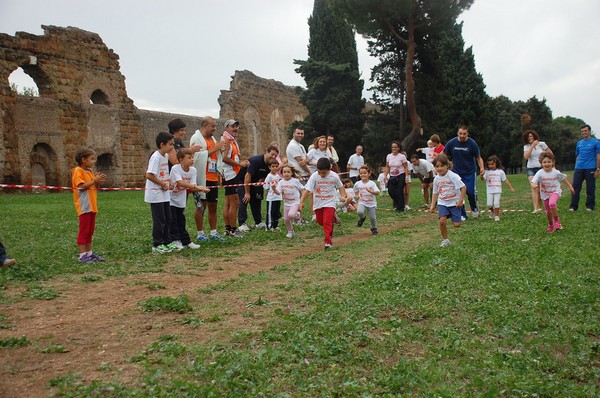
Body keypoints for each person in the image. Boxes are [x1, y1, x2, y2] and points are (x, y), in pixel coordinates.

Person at [190, 116, 227, 241]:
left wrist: (220, 150)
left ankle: (213, 232)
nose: (215, 129)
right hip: (202, 177)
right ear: (205, 125)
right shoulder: (196, 138)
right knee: (201, 205)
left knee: (213, 205)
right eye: (213, 126)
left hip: (212, 177)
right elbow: (196, 157)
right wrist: (215, 149)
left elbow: (214, 154)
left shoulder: (212, 138)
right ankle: (200, 233)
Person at [299, 157, 346, 249]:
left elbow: (340, 187)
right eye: (319, 172)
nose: (321, 174)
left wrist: (343, 196)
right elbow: (307, 190)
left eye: (324, 173)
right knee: (320, 221)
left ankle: (328, 242)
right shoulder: (314, 176)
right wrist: (301, 202)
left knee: (327, 222)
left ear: (329, 169)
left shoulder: (334, 176)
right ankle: (334, 218)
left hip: (330, 202)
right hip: (318, 203)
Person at [169, 148, 210, 250]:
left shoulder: (193, 170)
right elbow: (180, 183)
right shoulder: (175, 169)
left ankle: (186, 241)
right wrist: (198, 187)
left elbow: (192, 185)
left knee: (181, 219)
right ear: (181, 159)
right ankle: (176, 241)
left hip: (180, 199)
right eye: (189, 158)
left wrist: (201, 189)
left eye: (192, 157)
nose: (192, 160)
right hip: (170, 199)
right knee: (173, 220)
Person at [71, 148, 107, 263]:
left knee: (90, 231)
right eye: (91, 159)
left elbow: (93, 186)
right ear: (83, 160)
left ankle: (89, 253)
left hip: (92, 206)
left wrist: (97, 181)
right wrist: (94, 181)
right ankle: (82, 255)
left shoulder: (89, 171)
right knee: (84, 231)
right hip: (84, 206)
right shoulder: (78, 171)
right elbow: (81, 186)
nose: (94, 161)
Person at [443, 126, 484, 219]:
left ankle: (474, 208)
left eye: (464, 134)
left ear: (467, 134)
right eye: (460, 133)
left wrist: (482, 168)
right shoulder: (452, 143)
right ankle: (462, 214)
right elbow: (443, 154)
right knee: (458, 193)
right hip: (456, 172)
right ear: (457, 133)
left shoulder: (472, 143)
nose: (462, 135)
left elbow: (478, 158)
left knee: (470, 192)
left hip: (470, 172)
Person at [145, 132, 176, 255]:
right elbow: (149, 175)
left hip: (164, 193)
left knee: (168, 218)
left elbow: (164, 173)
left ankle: (167, 241)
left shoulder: (165, 156)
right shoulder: (156, 157)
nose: (172, 147)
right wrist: (162, 184)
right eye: (170, 144)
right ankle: (157, 244)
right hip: (155, 193)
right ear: (162, 144)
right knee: (159, 220)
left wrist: (169, 181)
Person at [532, 151, 575, 233]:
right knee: (548, 212)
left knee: (552, 204)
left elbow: (563, 179)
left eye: (549, 162)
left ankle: (556, 221)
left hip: (555, 191)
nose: (547, 164)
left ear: (553, 162)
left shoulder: (555, 172)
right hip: (545, 194)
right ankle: (550, 224)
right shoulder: (540, 173)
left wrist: (570, 186)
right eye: (544, 162)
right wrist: (534, 185)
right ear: (541, 163)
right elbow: (533, 182)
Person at [429, 154, 466, 248]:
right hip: (443, 203)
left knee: (457, 225)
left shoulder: (453, 176)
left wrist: (461, 200)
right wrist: (433, 205)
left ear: (447, 166)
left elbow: (463, 187)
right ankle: (445, 240)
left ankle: (451, 214)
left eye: (442, 166)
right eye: (437, 166)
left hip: (454, 203)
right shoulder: (436, 179)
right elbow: (435, 193)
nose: (439, 168)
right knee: (442, 221)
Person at [221, 119, 250, 237]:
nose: (235, 128)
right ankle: (233, 229)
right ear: (226, 128)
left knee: (228, 203)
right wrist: (240, 165)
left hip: (231, 173)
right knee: (235, 203)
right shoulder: (227, 140)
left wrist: (241, 162)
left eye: (236, 126)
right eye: (232, 126)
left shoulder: (231, 140)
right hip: (230, 174)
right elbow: (224, 158)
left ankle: (228, 229)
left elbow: (232, 157)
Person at [243, 146, 280, 229]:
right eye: (272, 154)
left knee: (257, 199)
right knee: (244, 199)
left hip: (257, 182)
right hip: (243, 181)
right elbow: (247, 176)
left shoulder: (270, 164)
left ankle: (258, 222)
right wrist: (247, 192)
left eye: (275, 156)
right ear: (266, 152)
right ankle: (242, 223)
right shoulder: (256, 161)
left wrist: (262, 180)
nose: (273, 157)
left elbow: (267, 176)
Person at [569, 124, 600, 212]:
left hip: (590, 168)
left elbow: (598, 156)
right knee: (575, 187)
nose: (584, 132)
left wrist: (597, 169)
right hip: (579, 168)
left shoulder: (596, 142)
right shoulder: (579, 143)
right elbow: (578, 156)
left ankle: (589, 206)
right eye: (582, 131)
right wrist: (576, 167)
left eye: (585, 131)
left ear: (589, 131)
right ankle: (573, 207)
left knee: (590, 188)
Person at [523, 129, 552, 213]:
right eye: (528, 137)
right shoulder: (526, 146)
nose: (530, 138)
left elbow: (550, 154)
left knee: (541, 189)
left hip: (541, 169)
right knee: (534, 187)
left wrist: (552, 164)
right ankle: (535, 208)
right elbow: (526, 157)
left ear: (535, 136)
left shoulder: (542, 144)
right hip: (531, 169)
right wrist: (532, 146)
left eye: (531, 136)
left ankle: (541, 207)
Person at [273, 163, 304, 238]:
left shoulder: (295, 181)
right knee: (286, 219)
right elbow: (278, 192)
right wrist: (274, 188)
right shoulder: (281, 182)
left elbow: (302, 189)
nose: (286, 174)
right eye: (284, 172)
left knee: (291, 215)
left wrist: (302, 200)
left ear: (292, 173)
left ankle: (298, 215)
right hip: (287, 203)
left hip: (295, 202)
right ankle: (290, 231)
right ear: (282, 173)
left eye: (288, 172)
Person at [481, 155, 515, 221]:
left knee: (496, 203)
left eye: (492, 164)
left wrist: (511, 188)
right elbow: (482, 179)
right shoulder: (487, 172)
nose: (490, 166)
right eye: (489, 164)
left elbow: (505, 180)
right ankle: (492, 211)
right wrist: (481, 176)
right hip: (489, 190)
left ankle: (496, 216)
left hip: (497, 190)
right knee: (489, 204)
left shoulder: (500, 172)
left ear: (496, 163)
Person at [354, 165, 380, 235]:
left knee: (372, 218)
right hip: (362, 202)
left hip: (371, 203)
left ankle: (374, 228)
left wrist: (371, 191)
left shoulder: (372, 183)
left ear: (369, 174)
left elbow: (377, 192)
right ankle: (362, 218)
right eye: (361, 173)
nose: (363, 175)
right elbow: (355, 190)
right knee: (359, 212)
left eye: (364, 173)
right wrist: (356, 195)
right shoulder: (357, 183)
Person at [383, 141, 409, 212]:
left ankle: (400, 208)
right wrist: (385, 175)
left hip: (401, 175)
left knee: (399, 191)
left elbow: (406, 167)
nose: (394, 148)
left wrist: (406, 176)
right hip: (392, 175)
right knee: (391, 191)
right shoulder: (389, 156)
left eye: (395, 147)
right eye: (392, 147)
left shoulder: (402, 156)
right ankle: (399, 203)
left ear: (398, 148)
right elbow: (387, 167)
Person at [263, 159, 282, 230]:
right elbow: (266, 186)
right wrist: (267, 193)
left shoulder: (278, 176)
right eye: (273, 166)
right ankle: (269, 226)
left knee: (276, 212)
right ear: (269, 167)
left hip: (278, 197)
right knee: (270, 212)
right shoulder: (269, 176)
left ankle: (275, 225)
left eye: (276, 166)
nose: (275, 168)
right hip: (271, 198)